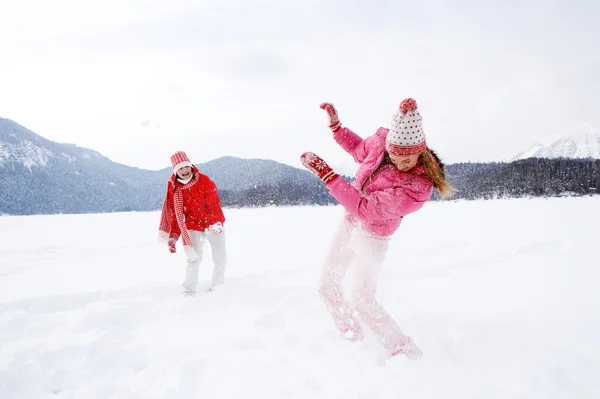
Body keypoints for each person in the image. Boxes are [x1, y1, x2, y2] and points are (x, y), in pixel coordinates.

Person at [300, 98, 454, 360]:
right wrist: (337, 128)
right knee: (327, 285)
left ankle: (405, 354)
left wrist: (329, 177)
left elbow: (366, 209)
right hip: (350, 223)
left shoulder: (417, 187)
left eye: (408, 160)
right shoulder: (381, 144)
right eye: (395, 156)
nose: (400, 164)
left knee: (362, 299)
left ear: (421, 152)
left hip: (374, 235)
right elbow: (360, 148)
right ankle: (351, 335)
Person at [158, 150, 228, 295]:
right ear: (175, 171)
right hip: (193, 225)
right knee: (193, 258)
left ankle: (218, 287)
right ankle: (188, 290)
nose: (184, 170)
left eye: (186, 166)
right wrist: (174, 235)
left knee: (220, 256)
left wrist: (215, 222)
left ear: (190, 166)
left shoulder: (204, 181)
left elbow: (214, 203)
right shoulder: (175, 188)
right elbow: (175, 214)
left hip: (213, 224)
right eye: (180, 168)